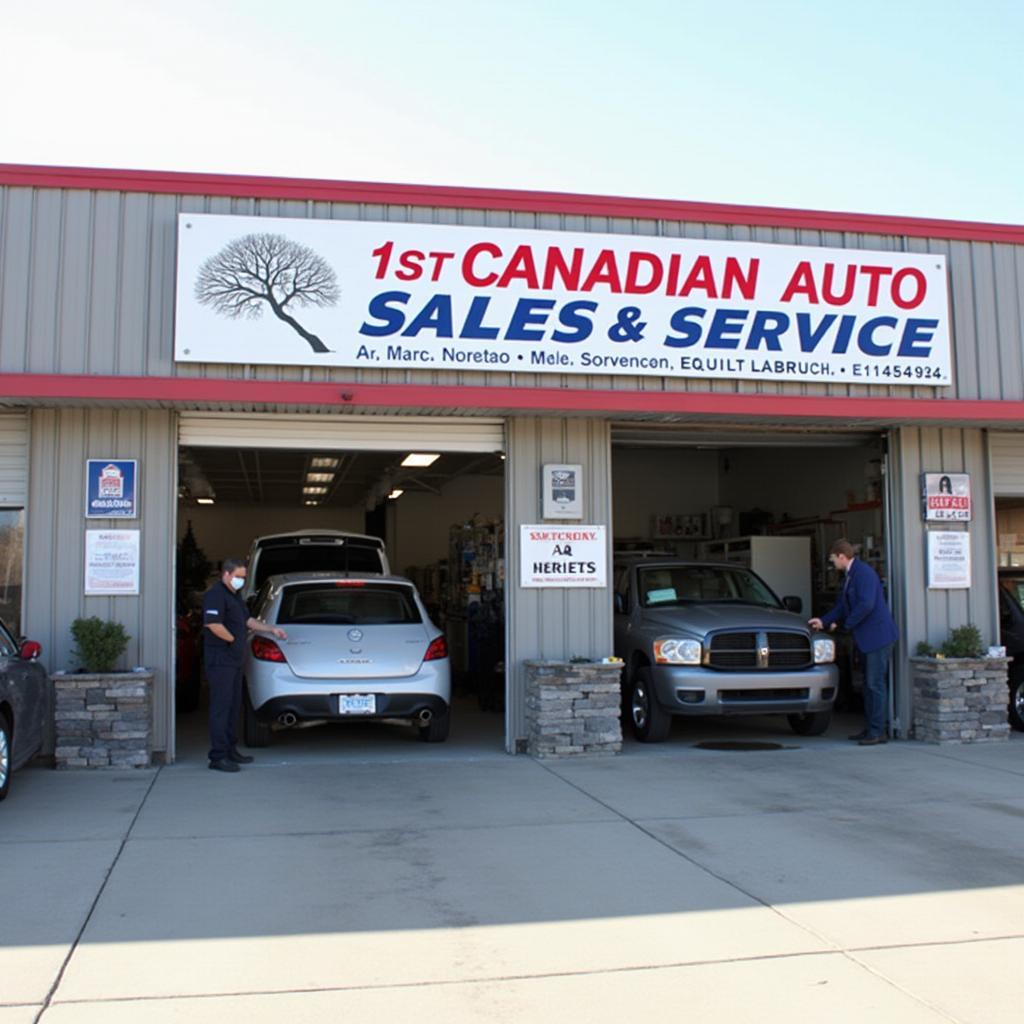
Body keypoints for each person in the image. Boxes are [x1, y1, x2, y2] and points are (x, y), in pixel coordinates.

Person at [809, 538, 898, 746]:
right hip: (867, 639)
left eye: (833, 559)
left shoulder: (863, 574)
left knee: (874, 685)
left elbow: (866, 605)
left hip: (877, 638)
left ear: (842, 556)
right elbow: (842, 605)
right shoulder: (850, 576)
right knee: (868, 685)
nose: (832, 564)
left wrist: (845, 625)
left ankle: (877, 731)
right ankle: (871, 729)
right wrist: (824, 620)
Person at [202, 558, 287, 772]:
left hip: (234, 660)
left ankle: (231, 750)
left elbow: (248, 621)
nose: (241, 580)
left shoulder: (235, 596)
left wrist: (270, 629)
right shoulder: (215, 595)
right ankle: (218, 756)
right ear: (226, 574)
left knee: (233, 707)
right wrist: (233, 640)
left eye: (244, 577)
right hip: (220, 660)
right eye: (238, 577)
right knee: (221, 708)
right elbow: (213, 624)